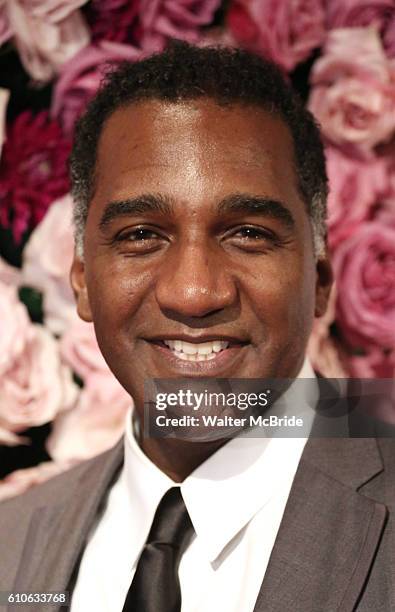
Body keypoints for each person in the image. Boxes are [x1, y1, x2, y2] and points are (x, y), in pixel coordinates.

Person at [0, 42, 394, 612]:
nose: (193, 292)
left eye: (248, 234)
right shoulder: (11, 544)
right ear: (83, 282)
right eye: (140, 235)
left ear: (320, 279)